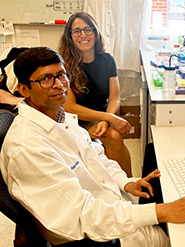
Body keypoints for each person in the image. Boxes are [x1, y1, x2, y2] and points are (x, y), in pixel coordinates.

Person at [0, 47, 185, 246]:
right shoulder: (28, 147)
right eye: (46, 79)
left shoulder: (59, 116)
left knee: (176, 193)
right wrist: (163, 212)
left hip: (110, 202)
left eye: (61, 75)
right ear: (24, 89)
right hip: (97, 232)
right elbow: (83, 216)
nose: (59, 85)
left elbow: (96, 156)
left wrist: (126, 184)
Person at [58, 12, 132, 177]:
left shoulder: (107, 60)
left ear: (95, 33)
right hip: (76, 120)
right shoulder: (64, 65)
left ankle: (130, 187)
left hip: (103, 116)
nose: (83, 35)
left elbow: (114, 98)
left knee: (113, 135)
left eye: (87, 29)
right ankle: (128, 186)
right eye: (76, 31)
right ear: (70, 36)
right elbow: (69, 107)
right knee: (113, 136)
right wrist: (109, 119)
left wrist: (107, 119)